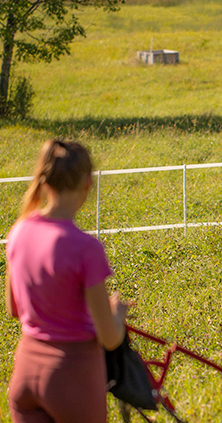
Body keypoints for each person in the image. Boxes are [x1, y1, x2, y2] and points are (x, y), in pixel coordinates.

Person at [4, 139, 129, 423]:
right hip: (72, 378)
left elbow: (14, 309)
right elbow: (109, 338)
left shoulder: (19, 231)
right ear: (88, 182)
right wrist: (116, 314)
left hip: (25, 373)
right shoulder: (85, 248)